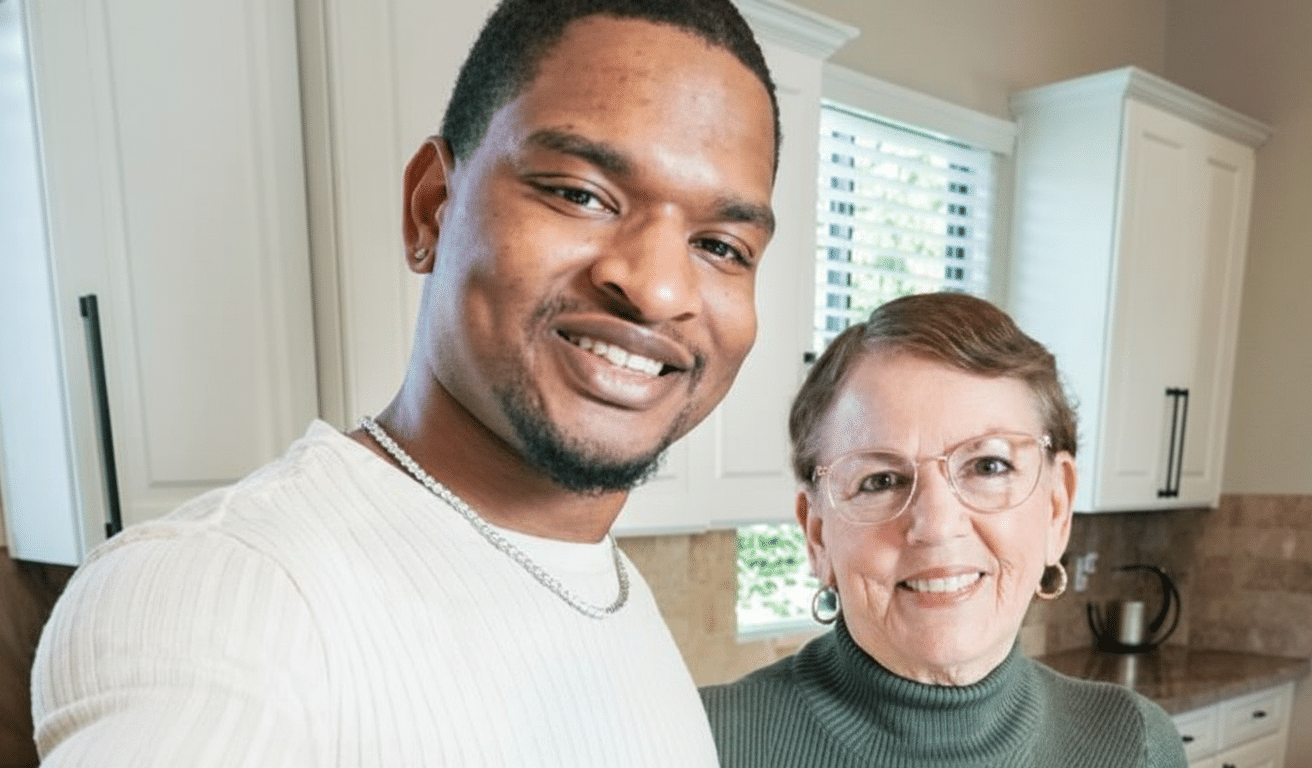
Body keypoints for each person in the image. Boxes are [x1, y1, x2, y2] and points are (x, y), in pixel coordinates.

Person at [30, 1, 779, 765]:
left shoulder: (609, 586)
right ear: (430, 209)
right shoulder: (222, 589)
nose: (656, 289)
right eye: (579, 193)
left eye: (721, 245)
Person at [700, 293, 1187, 768]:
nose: (936, 526)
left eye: (988, 466)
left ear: (1056, 508)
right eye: (881, 481)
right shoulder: (702, 745)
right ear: (818, 535)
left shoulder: (1134, 745)